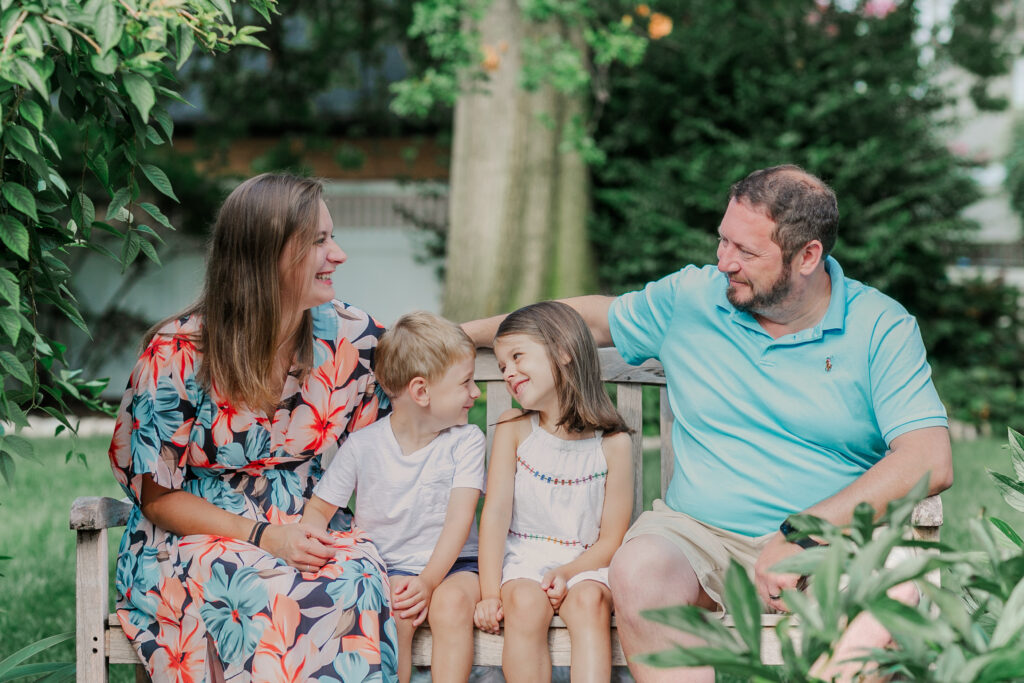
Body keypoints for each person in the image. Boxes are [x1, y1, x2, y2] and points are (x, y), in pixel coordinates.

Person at [463, 165, 953, 682]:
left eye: (746, 252)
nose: (724, 263)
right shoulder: (693, 299)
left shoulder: (881, 327)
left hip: (828, 545)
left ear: (808, 255)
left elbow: (928, 458)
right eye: (722, 241)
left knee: (893, 599)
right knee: (639, 570)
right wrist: (451, 337)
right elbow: (585, 321)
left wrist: (800, 533)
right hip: (697, 535)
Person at [108, 173, 399, 682]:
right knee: (261, 588)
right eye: (319, 241)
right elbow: (156, 497)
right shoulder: (180, 352)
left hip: (308, 520)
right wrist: (266, 536)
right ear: (267, 254)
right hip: (195, 531)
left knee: (355, 578)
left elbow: (436, 345)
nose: (339, 255)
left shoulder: (349, 337)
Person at [302, 311, 486, 683]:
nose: (476, 393)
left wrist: (430, 581)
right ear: (421, 392)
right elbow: (320, 508)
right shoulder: (363, 445)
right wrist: (311, 554)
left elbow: (459, 519)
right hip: (390, 569)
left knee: (450, 608)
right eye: (466, 382)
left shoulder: (466, 441)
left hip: (456, 567)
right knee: (397, 614)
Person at [473, 301, 634, 683]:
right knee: (526, 603)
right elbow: (494, 516)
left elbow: (612, 539)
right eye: (501, 366)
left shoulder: (613, 444)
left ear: (563, 351)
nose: (509, 372)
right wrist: (489, 592)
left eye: (517, 356)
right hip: (524, 558)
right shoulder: (514, 429)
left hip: (585, 563)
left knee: (590, 603)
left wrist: (568, 571)